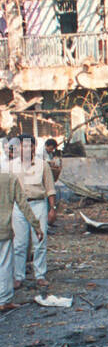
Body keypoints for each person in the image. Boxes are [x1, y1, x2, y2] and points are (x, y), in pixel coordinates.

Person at [7, 134, 56, 288]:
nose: (27, 149)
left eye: (30, 145)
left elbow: (50, 188)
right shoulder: (11, 166)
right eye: (24, 145)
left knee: (40, 241)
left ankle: (40, 275)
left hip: (38, 205)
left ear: (35, 147)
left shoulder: (43, 165)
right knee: (19, 244)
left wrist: (52, 209)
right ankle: (19, 277)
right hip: (19, 206)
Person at [0, 167, 43, 312]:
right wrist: (36, 226)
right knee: (5, 265)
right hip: (3, 230)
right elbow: (23, 205)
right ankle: (4, 301)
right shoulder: (10, 179)